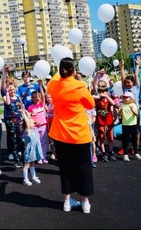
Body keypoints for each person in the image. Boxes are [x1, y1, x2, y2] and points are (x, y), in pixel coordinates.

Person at [47, 57, 95, 214]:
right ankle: (85, 203)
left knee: (66, 169)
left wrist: (58, 70)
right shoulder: (79, 86)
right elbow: (90, 104)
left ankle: (67, 202)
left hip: (61, 135)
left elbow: (54, 79)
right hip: (79, 134)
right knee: (84, 169)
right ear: (74, 70)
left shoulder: (54, 85)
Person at [2, 79, 24, 168]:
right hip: (10, 121)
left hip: (18, 120)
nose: (11, 91)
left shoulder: (18, 97)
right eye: (10, 90)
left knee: (21, 139)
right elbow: (8, 103)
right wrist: (6, 92)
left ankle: (22, 156)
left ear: (15, 89)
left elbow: (22, 107)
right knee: (13, 140)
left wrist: (22, 114)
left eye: (13, 89)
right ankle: (16, 160)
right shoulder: (5, 97)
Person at [93, 80, 116, 162]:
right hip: (100, 121)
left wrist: (107, 96)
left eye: (104, 91)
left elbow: (113, 103)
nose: (102, 93)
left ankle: (111, 152)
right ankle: (104, 153)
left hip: (109, 120)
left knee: (110, 138)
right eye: (100, 91)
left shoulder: (108, 99)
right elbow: (91, 96)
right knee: (102, 137)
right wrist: (99, 96)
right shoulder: (97, 99)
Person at [20, 110, 42, 186]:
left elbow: (29, 118)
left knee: (32, 163)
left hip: (33, 151)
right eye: (32, 123)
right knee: (27, 165)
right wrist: (23, 114)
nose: (34, 124)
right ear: (27, 124)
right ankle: (25, 179)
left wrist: (26, 112)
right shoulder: (27, 130)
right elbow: (27, 121)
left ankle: (33, 177)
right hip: (29, 151)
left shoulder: (32, 129)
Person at [27, 85, 48, 164]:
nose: (36, 98)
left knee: (43, 142)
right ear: (32, 98)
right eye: (34, 97)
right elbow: (29, 117)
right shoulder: (30, 107)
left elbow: (43, 95)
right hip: (35, 127)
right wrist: (35, 122)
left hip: (43, 126)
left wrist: (40, 85)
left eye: (37, 97)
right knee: (37, 142)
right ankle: (39, 157)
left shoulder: (41, 104)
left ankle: (44, 157)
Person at [119, 92, 141, 162]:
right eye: (124, 97)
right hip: (125, 125)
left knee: (134, 140)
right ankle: (125, 154)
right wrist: (120, 111)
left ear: (131, 98)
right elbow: (118, 114)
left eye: (127, 97)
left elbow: (137, 114)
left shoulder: (133, 105)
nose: (125, 99)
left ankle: (136, 152)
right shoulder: (122, 105)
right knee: (125, 140)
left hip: (133, 125)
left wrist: (132, 109)